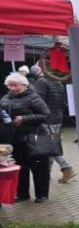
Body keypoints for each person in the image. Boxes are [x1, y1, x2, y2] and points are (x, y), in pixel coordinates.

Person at [0, 72, 51, 203]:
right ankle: (23, 194)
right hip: (16, 138)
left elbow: (45, 114)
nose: (12, 88)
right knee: (20, 166)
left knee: (39, 167)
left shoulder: (33, 97)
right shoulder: (5, 98)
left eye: (15, 85)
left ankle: (42, 194)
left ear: (24, 85)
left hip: (35, 136)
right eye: (9, 85)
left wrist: (24, 118)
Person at [29, 65, 76, 183]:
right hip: (57, 118)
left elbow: (38, 102)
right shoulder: (58, 83)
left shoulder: (41, 82)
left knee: (49, 146)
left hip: (46, 119)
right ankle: (47, 173)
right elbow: (63, 103)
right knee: (51, 144)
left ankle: (66, 168)